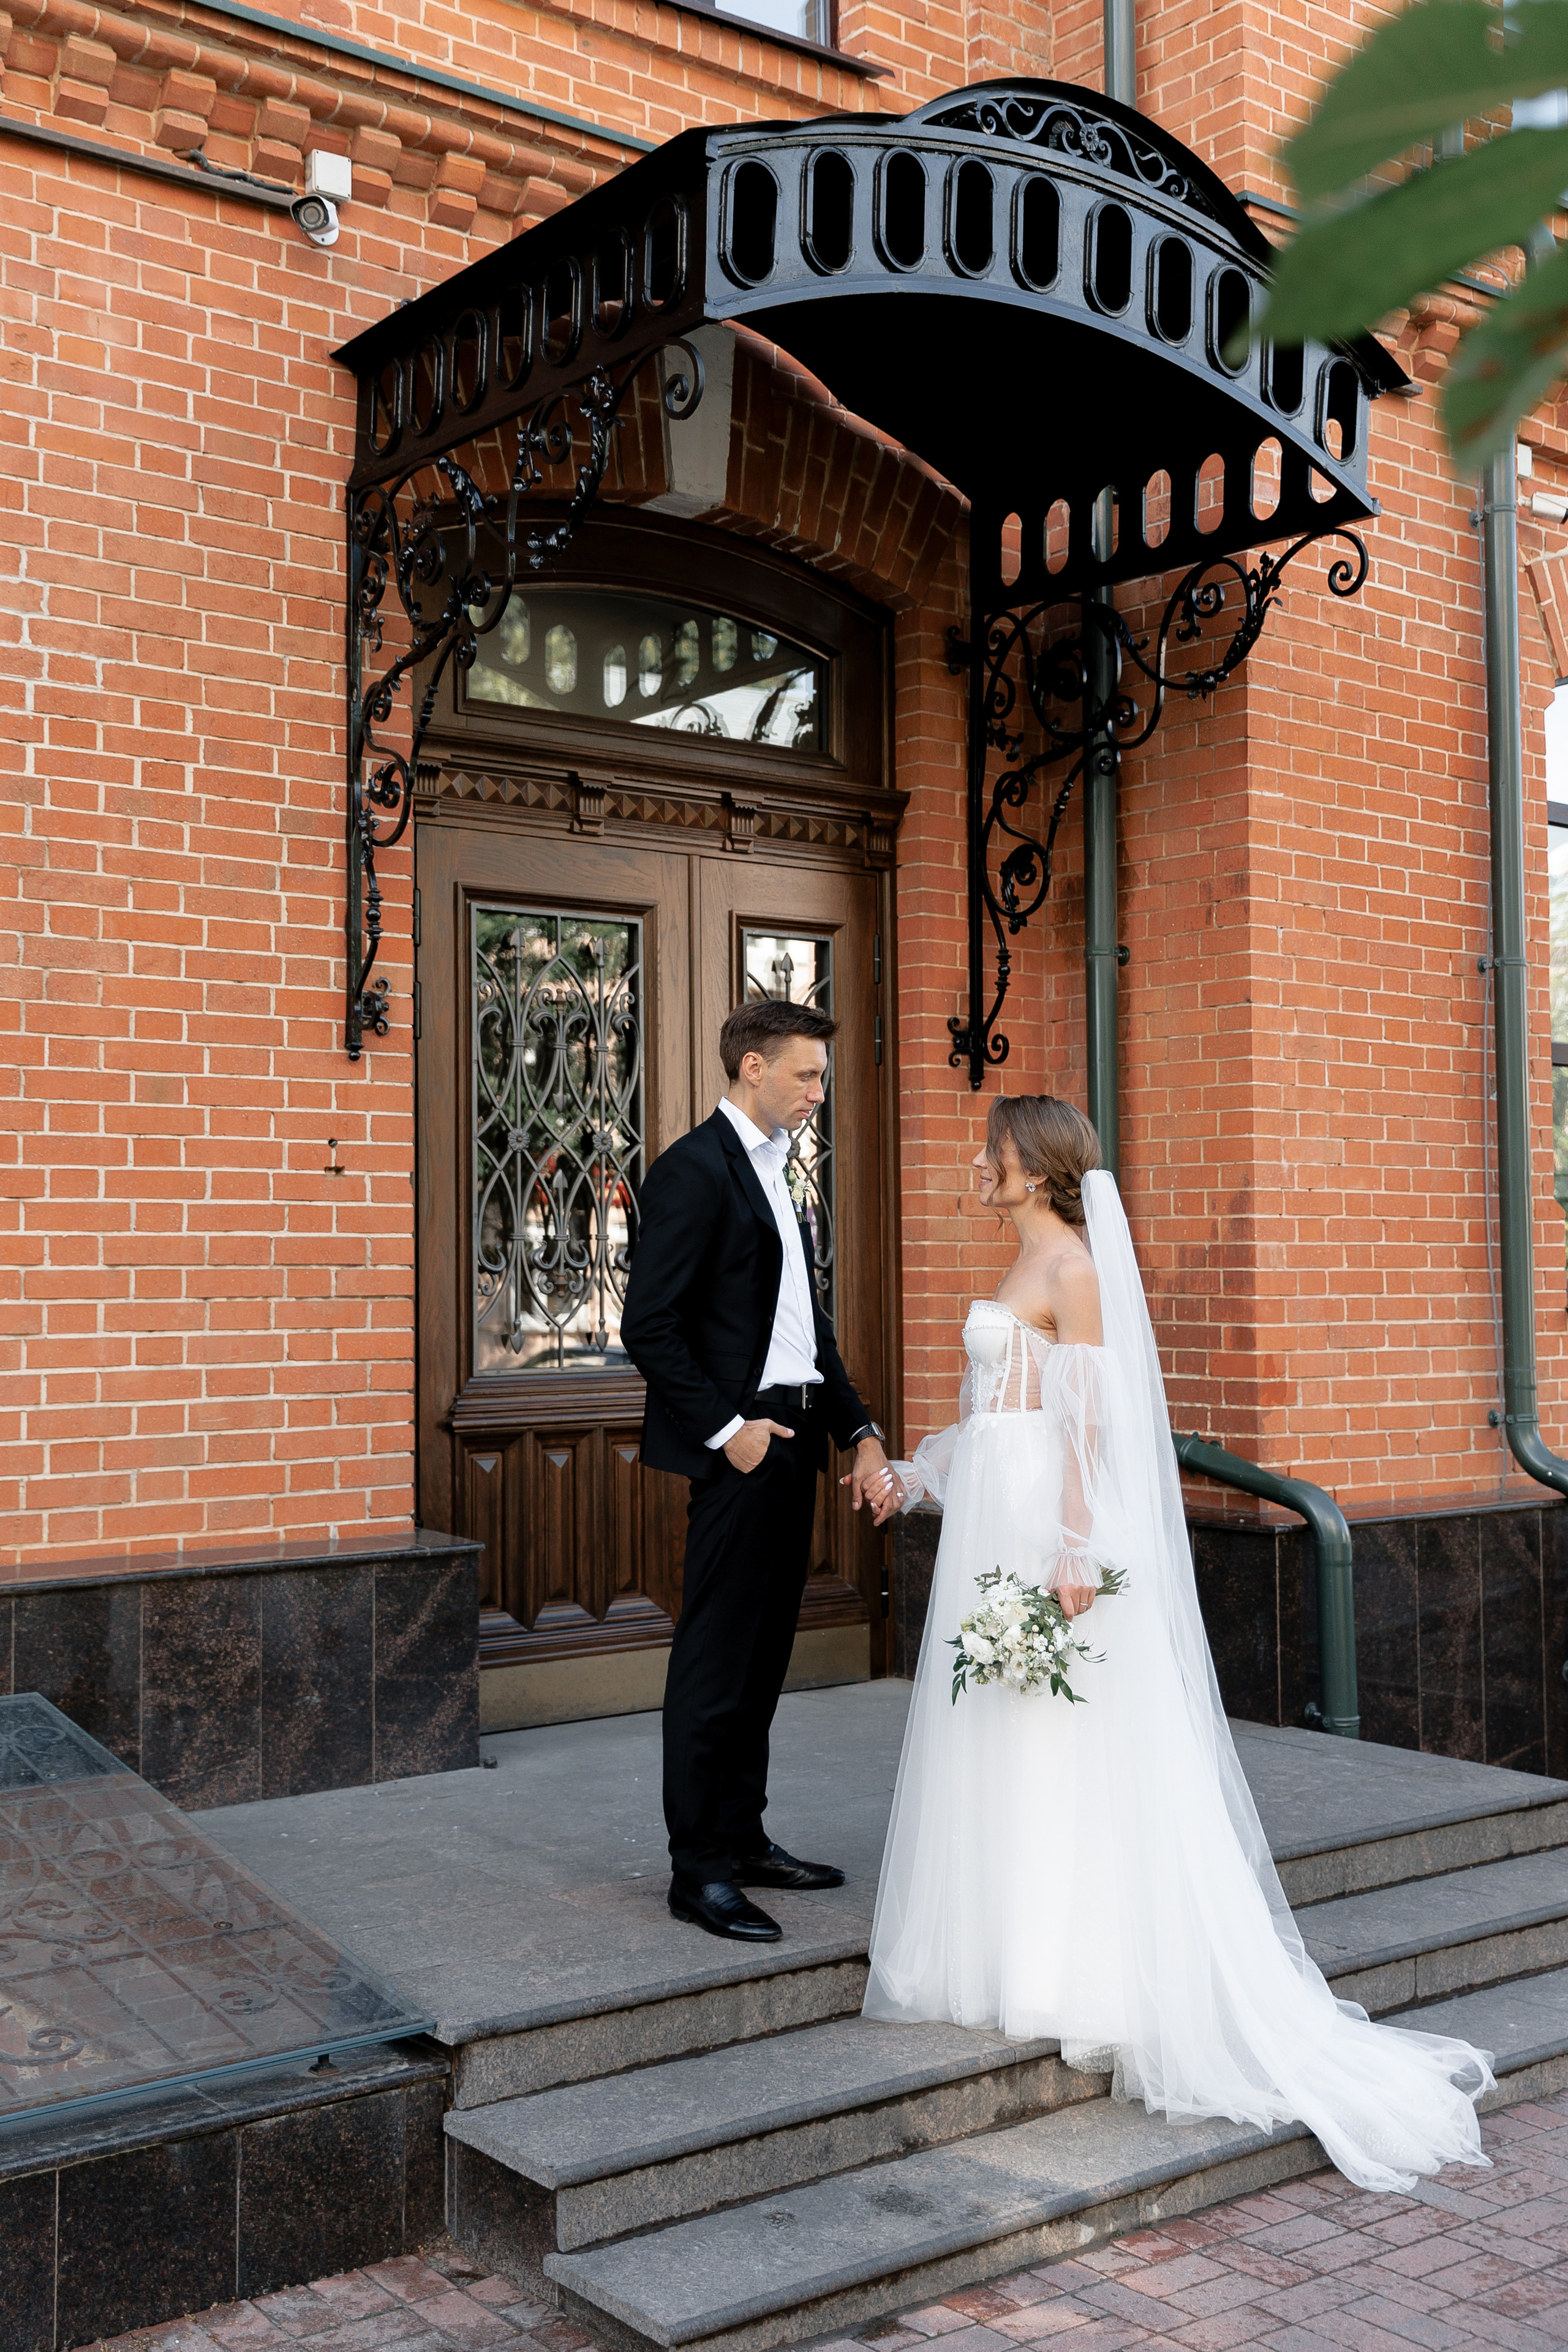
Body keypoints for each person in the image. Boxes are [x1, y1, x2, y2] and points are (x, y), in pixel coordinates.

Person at [862, 1093, 1494, 2194]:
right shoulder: (1020, 1268)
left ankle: (1075, 1970)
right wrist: (915, 1474)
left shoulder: (1076, 1273)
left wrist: (1070, 1549)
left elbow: (1090, 1424)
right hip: (988, 1518)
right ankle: (1006, 1951)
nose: (980, 1163)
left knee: (1062, 1733)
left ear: (1038, 1166)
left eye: (995, 1151)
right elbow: (997, 1411)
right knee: (1000, 1726)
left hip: (1042, 1531)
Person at [622, 998, 897, 1944]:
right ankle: (696, 1871)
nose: (819, 1092)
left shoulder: (787, 1176)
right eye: (806, 1075)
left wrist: (858, 1429)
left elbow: (804, 1332)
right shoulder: (694, 1171)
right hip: (740, 1445)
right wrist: (728, 1429)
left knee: (764, 1656)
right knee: (714, 1662)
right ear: (751, 1068)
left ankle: (742, 1838)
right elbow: (646, 1326)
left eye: (821, 1077)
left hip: (796, 1438)